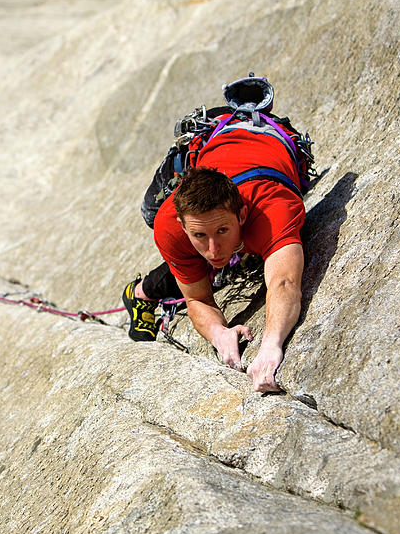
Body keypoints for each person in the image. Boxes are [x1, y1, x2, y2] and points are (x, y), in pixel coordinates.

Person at [122, 123, 305, 392]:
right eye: (198, 235)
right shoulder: (170, 226)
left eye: (222, 230)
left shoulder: (272, 209)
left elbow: (284, 283)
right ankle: (140, 293)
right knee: (153, 216)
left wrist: (270, 346)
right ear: (183, 227)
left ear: (242, 216)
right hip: (209, 145)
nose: (213, 249)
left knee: (220, 263)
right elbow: (196, 297)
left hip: (257, 139)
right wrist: (219, 335)